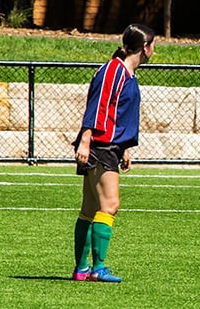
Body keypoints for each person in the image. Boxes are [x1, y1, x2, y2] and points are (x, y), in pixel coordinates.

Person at [71, 23, 155, 283]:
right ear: (144, 47)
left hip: (111, 146)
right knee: (110, 205)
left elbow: (119, 114)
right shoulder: (113, 72)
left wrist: (125, 148)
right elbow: (95, 107)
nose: (154, 50)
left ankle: (82, 270)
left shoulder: (127, 74)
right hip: (100, 146)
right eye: (153, 45)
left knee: (90, 208)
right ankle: (98, 269)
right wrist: (85, 141)